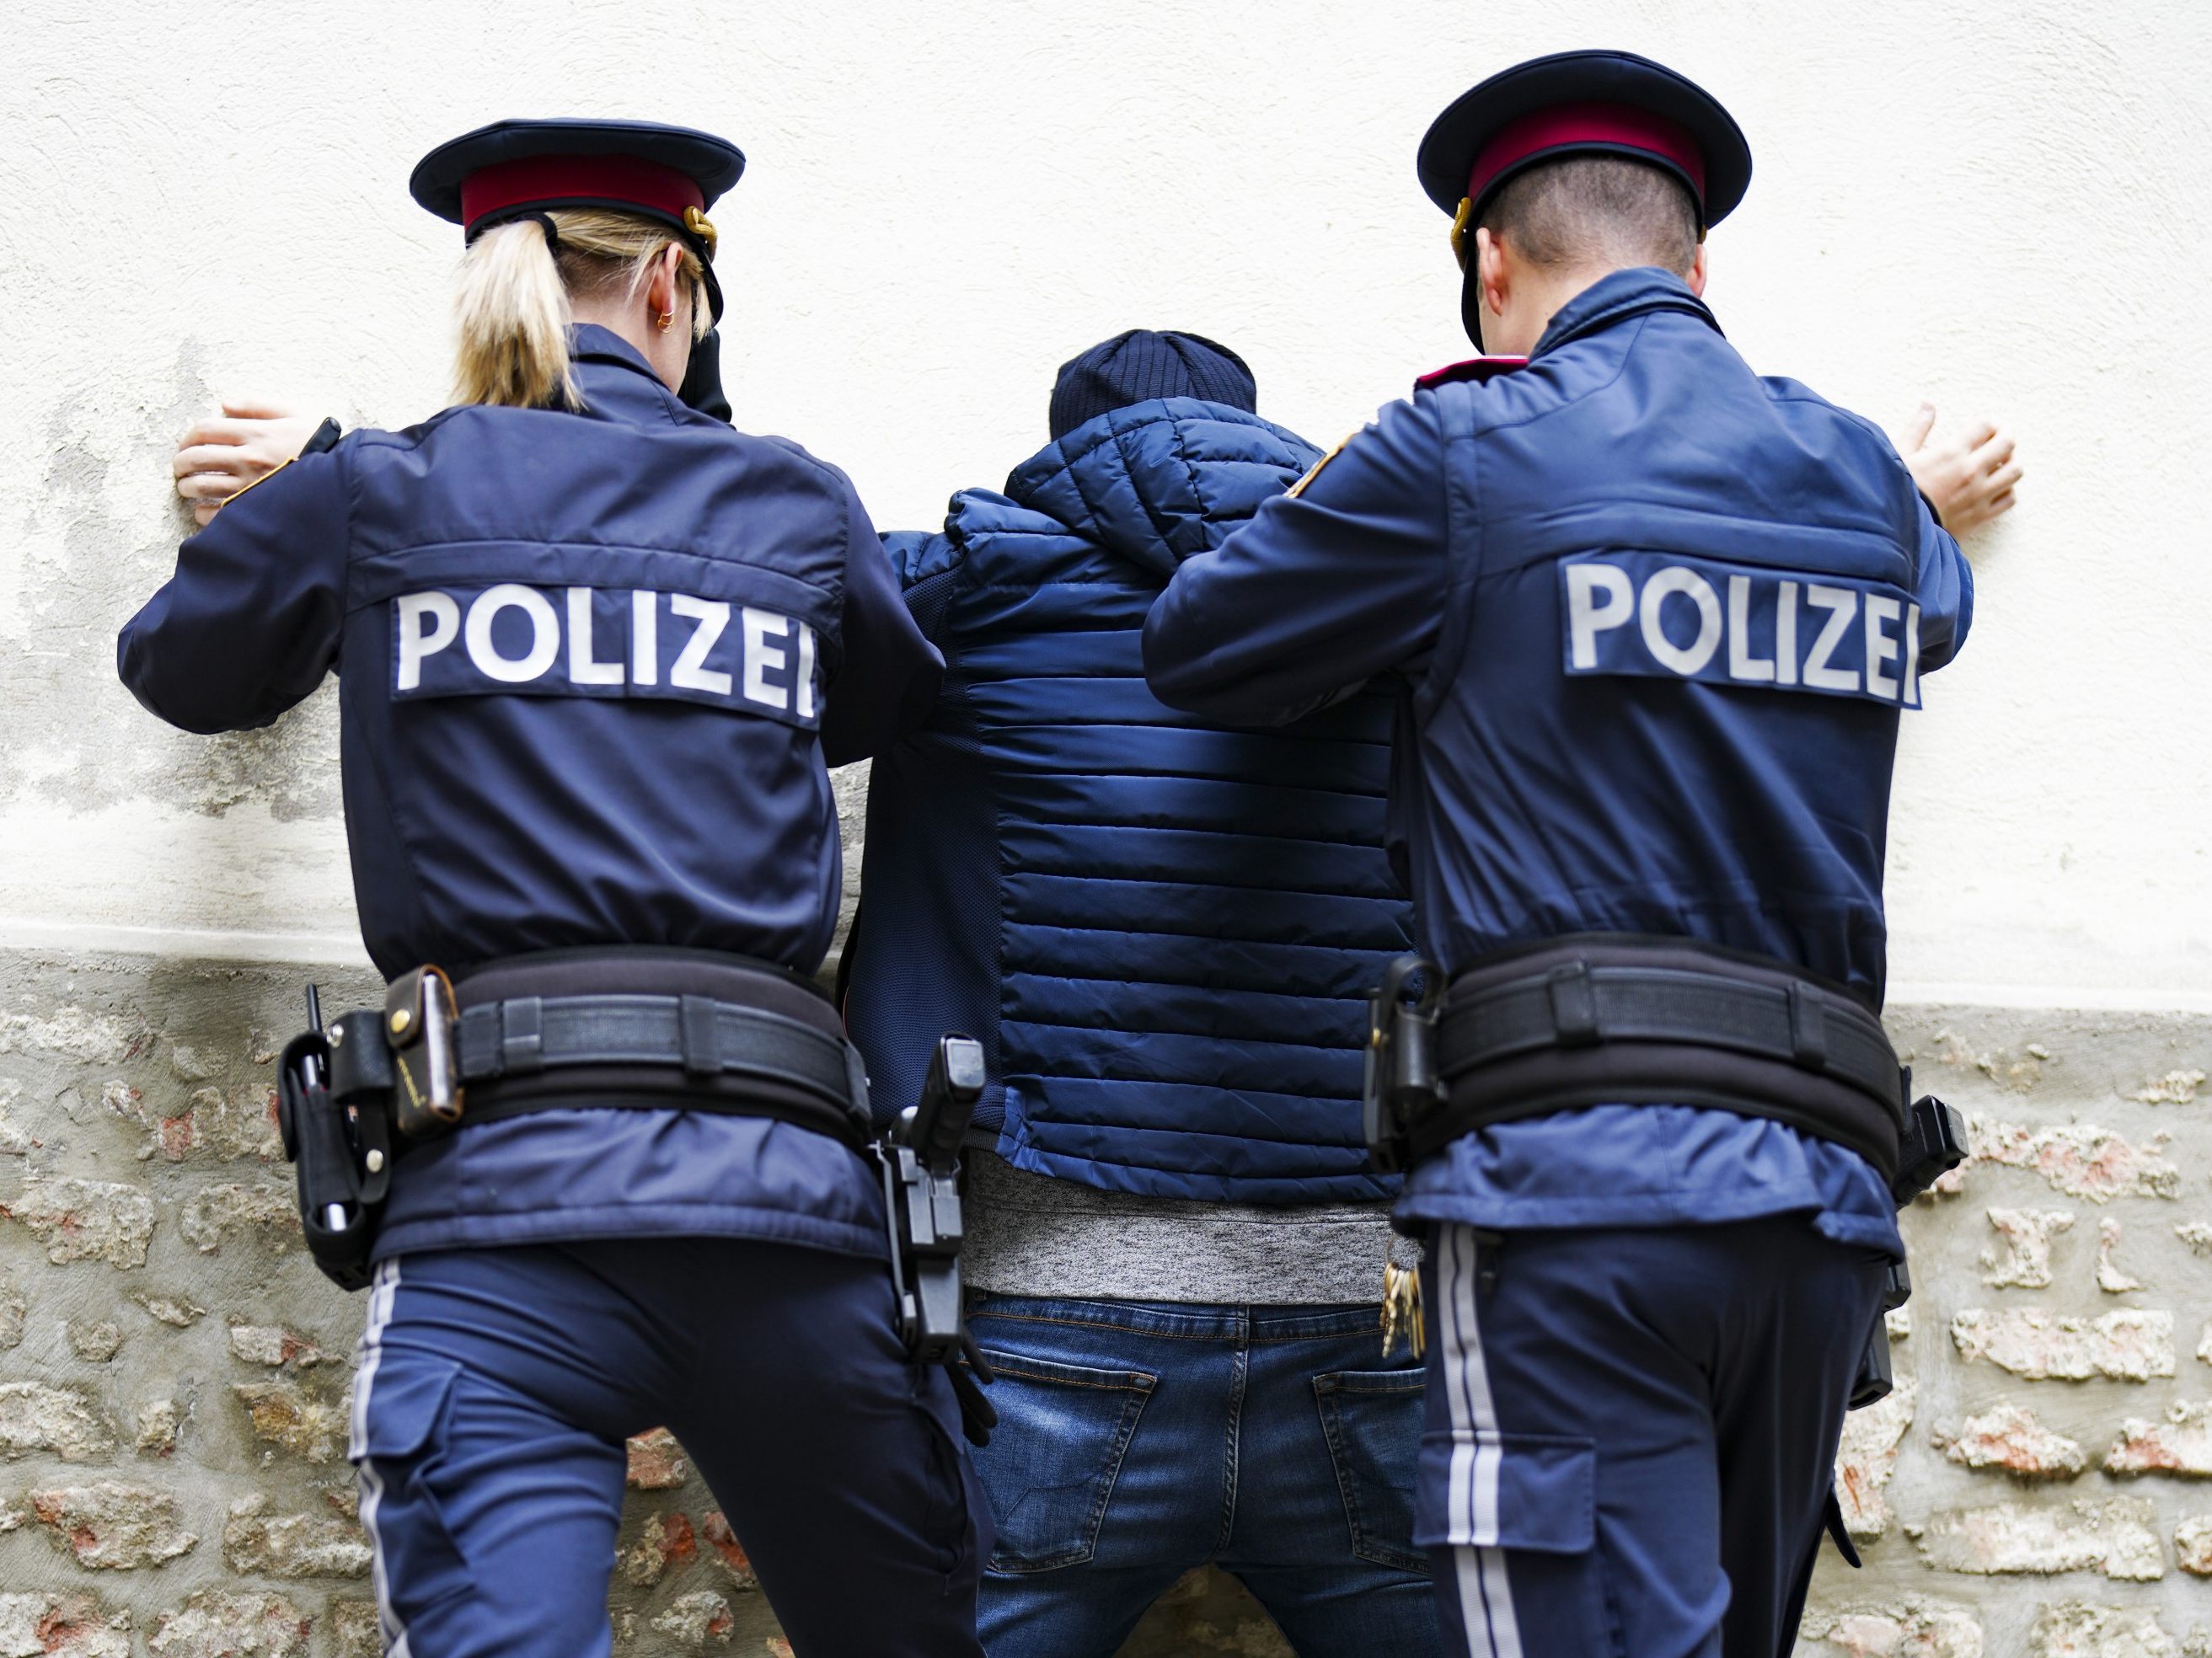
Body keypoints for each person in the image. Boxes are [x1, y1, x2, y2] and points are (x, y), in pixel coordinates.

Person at [1142, 51, 1979, 1658]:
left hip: (1571, 1188)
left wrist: (1377, 470)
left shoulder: (1463, 450)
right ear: (1697, 267)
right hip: (1820, 1202)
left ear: (1489, 267)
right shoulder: (1863, 476)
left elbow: (1203, 642)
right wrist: (1915, 498)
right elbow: (1930, 600)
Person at [117, 118, 981, 1658]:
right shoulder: (794, 503)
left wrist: (311, 496)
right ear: (668, 284)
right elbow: (874, 698)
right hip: (783, 1211)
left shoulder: (373, 492)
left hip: (497, 1207)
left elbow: (184, 671)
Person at [839, 329, 1437, 1657]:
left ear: (1061, 453)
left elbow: (718, 616)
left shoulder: (965, 591)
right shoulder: (1388, 598)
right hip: (1371, 1311)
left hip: (1043, 1308)